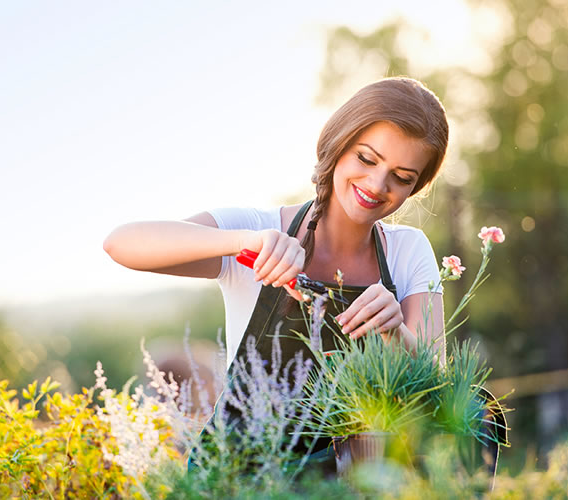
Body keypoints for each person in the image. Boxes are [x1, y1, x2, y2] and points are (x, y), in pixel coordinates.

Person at [103, 76, 449, 465]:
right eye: (366, 159)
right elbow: (122, 244)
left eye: (402, 178)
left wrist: (394, 332)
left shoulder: (408, 250)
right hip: (238, 480)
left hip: (352, 484)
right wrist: (242, 243)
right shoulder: (256, 225)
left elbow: (437, 392)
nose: (376, 183)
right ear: (339, 143)